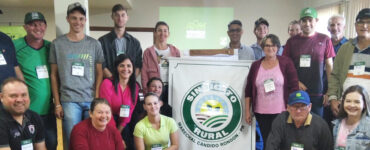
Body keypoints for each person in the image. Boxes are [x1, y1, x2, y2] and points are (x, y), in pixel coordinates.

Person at [49, 2, 104, 143]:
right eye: (73, 18)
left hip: (90, 99)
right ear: (67, 19)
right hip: (69, 101)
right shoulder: (57, 44)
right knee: (72, 140)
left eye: (81, 18)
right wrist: (57, 103)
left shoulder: (94, 44)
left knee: (92, 140)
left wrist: (96, 98)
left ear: (85, 20)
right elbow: (53, 75)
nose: (77, 22)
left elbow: (99, 73)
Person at [245, 34, 299, 149]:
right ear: (263, 47)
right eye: (267, 45)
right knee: (267, 141)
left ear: (278, 47)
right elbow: (248, 89)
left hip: (282, 111)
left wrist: (294, 108)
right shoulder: (255, 65)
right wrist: (247, 111)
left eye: (273, 45)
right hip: (261, 112)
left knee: (282, 141)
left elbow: (294, 87)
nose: (270, 48)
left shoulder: (286, 62)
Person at [13, 11, 57, 150]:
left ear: (45, 26)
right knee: (26, 146)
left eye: (41, 24)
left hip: (48, 111)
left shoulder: (51, 47)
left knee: (51, 144)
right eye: (33, 25)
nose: (38, 27)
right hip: (25, 112)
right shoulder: (15, 46)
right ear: (25, 27)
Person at [283, 7, 336, 117]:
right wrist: (295, 81)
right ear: (300, 22)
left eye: (310, 20)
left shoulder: (325, 39)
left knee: (316, 126)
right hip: (296, 91)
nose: (307, 23)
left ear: (316, 21)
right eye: (304, 20)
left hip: (318, 94)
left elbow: (330, 66)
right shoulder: (291, 41)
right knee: (297, 124)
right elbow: (285, 66)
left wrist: (330, 92)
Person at [328, 8, 370, 118]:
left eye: (368, 22)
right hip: (345, 107)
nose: (364, 26)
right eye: (361, 22)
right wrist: (332, 98)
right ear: (355, 25)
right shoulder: (345, 48)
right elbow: (335, 76)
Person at [266, 90, 333, 150]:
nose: (298, 111)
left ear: (309, 107)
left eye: (302, 106)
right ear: (288, 108)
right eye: (295, 106)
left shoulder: (321, 125)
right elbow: (271, 146)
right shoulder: (280, 120)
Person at [99, 54, 139, 150]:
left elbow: (128, 113)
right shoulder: (107, 83)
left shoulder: (135, 87)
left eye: (129, 66)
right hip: (106, 119)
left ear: (133, 69)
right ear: (117, 68)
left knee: (128, 144)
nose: (125, 69)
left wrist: (118, 132)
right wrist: (117, 136)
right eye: (122, 65)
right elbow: (105, 111)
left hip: (123, 122)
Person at [0, 77, 46, 150]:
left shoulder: (35, 117)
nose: (19, 100)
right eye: (13, 96)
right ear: (1, 97)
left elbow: (41, 148)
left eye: (24, 95)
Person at [99, 4, 142, 78]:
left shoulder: (135, 43)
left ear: (127, 17)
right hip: (109, 83)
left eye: (123, 15)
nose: (120, 18)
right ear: (112, 17)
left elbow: (138, 64)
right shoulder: (102, 41)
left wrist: (129, 80)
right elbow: (101, 64)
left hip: (128, 85)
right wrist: (113, 81)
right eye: (117, 15)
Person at [141, 21, 180, 102]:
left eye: (165, 31)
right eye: (159, 30)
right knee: (155, 111)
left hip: (171, 88)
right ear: (155, 33)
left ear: (168, 34)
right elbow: (144, 74)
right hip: (155, 89)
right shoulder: (148, 52)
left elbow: (180, 72)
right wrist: (146, 92)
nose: (162, 33)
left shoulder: (175, 51)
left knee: (170, 113)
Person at [323, 14, 349, 132]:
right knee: (324, 125)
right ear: (328, 28)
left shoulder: (349, 47)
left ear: (344, 27)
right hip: (324, 92)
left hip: (342, 93)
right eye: (332, 25)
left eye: (338, 24)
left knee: (340, 128)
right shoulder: (323, 44)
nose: (335, 27)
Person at [333, 85, 370, 149]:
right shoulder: (336, 124)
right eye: (348, 101)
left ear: (364, 104)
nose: (352, 105)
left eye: (357, 102)